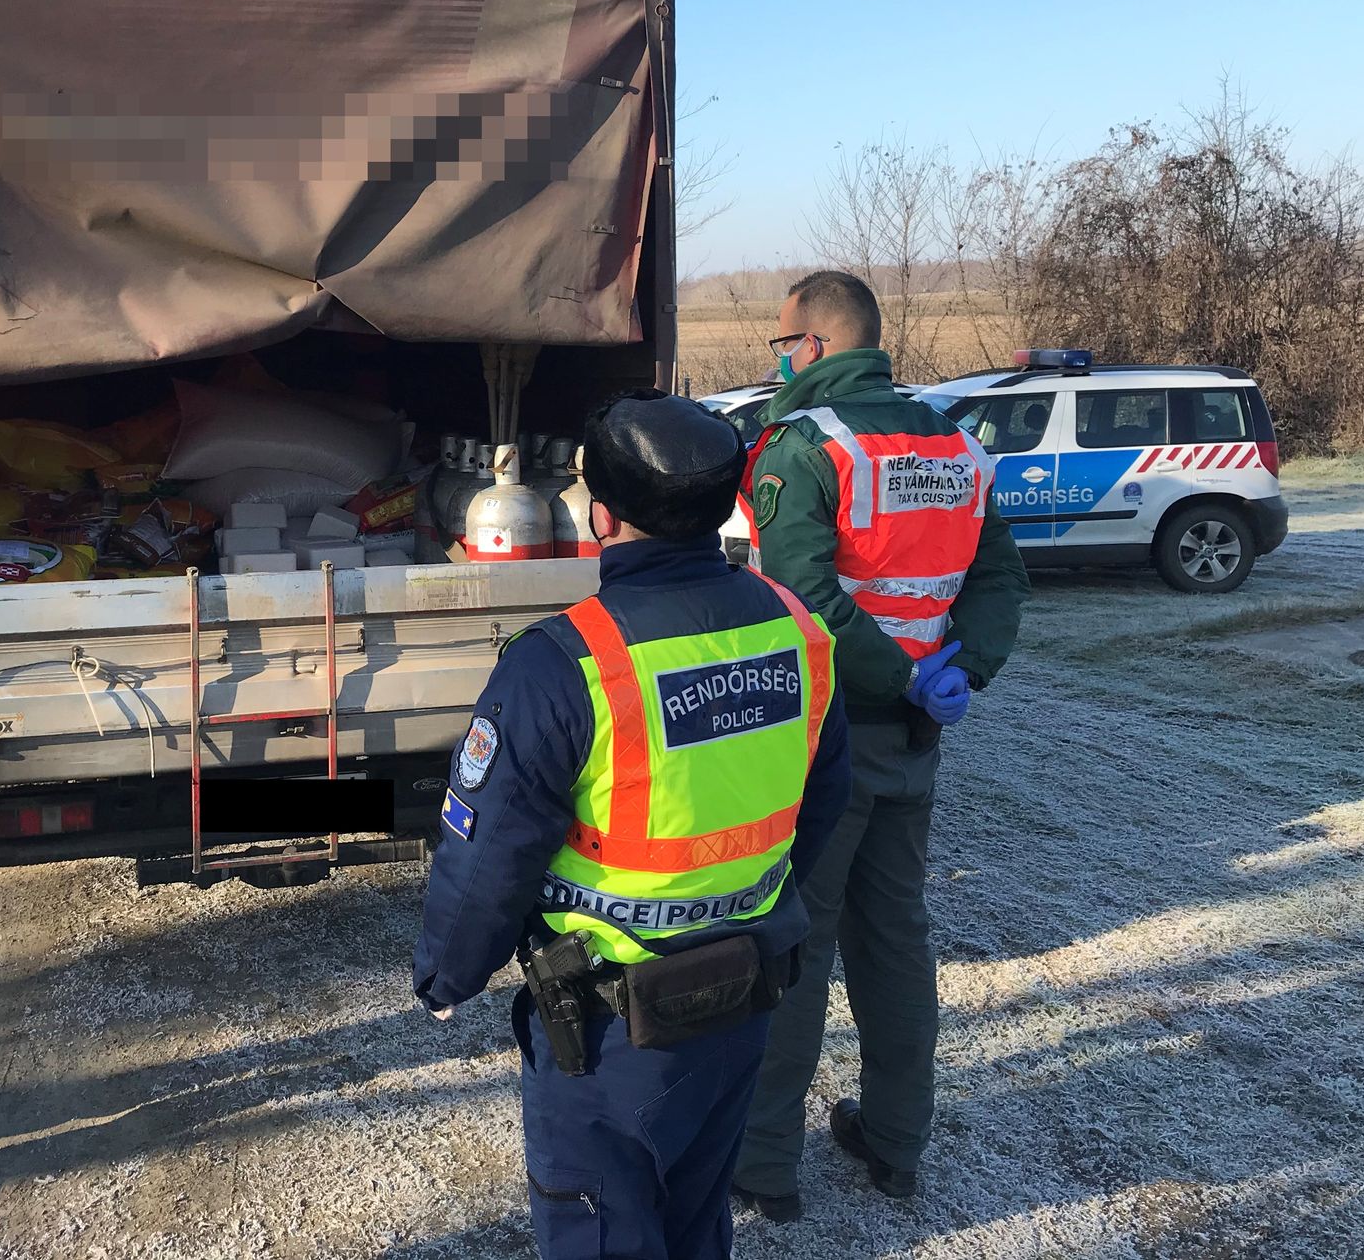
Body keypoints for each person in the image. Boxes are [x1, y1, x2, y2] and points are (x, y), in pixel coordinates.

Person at [413, 389, 852, 1260]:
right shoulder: (799, 632)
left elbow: (489, 857)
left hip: (612, 1036)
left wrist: (446, 978)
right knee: (694, 1217)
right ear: (726, 506)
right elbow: (822, 801)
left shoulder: (562, 665)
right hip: (741, 997)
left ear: (599, 517)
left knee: (601, 1230)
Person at [732, 270, 1030, 1220]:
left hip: (827, 736)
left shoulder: (805, 448)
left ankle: (766, 1163)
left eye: (783, 344)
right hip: (915, 738)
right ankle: (898, 1142)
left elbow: (801, 601)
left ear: (816, 345)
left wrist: (897, 675)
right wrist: (958, 671)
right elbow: (1000, 579)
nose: (778, 360)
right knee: (896, 941)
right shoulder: (953, 440)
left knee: (799, 943)